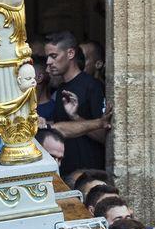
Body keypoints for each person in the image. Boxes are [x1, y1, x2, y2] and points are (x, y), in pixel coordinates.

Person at [44, 31, 108, 174]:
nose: (48, 62)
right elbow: (61, 129)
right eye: (48, 57)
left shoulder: (92, 86)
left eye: (53, 56)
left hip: (89, 172)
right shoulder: (61, 89)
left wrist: (76, 117)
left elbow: (105, 136)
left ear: (70, 53)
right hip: (66, 171)